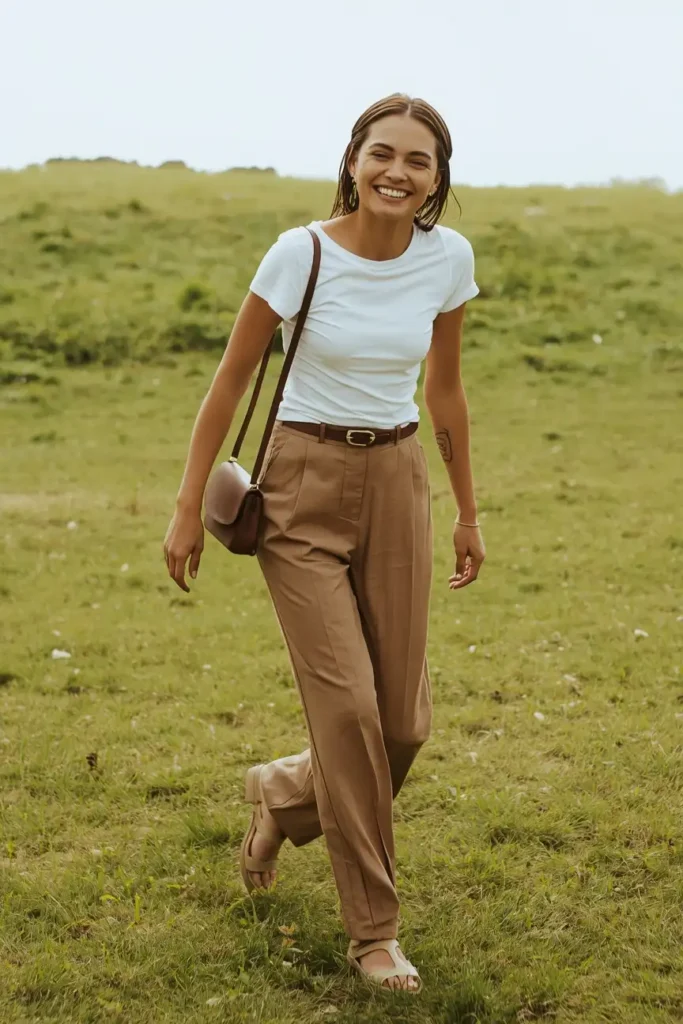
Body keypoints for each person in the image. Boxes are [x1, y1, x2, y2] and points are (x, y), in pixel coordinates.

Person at [163, 91, 486, 995]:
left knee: (403, 724)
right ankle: (373, 933)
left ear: (436, 179)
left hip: (397, 480)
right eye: (381, 153)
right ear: (352, 161)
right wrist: (188, 505)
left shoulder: (446, 259)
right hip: (299, 486)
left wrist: (466, 512)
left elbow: (447, 393)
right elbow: (229, 383)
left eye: (417, 161)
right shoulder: (299, 253)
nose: (396, 171)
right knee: (347, 715)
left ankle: (281, 792)